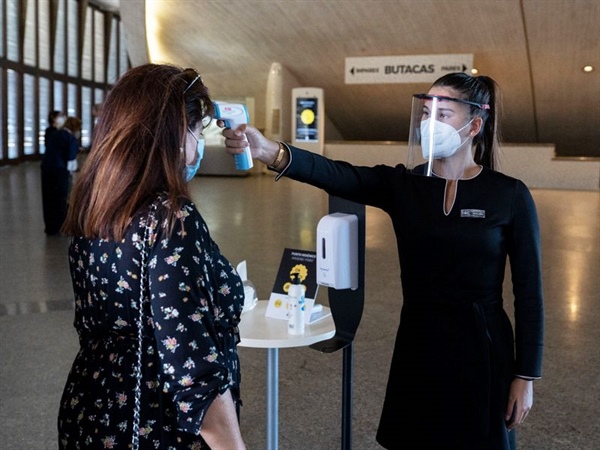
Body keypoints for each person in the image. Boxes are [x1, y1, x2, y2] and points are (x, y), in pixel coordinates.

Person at [222, 72, 544, 450]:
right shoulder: (405, 186)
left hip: (483, 349)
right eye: (426, 113)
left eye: (443, 114)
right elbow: (338, 175)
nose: (429, 124)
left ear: (474, 125)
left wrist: (526, 376)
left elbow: (530, 292)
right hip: (419, 343)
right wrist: (269, 151)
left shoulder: (509, 195)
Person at [58, 64, 247, 449]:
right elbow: (192, 369)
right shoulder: (171, 218)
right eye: (197, 131)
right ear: (177, 134)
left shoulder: (96, 207)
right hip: (154, 424)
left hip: (92, 411)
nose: (197, 146)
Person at [41, 116, 81, 235]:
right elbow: (71, 162)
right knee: (60, 199)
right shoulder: (71, 138)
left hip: (47, 168)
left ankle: (50, 227)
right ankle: (61, 227)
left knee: (48, 198)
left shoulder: (56, 134)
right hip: (60, 171)